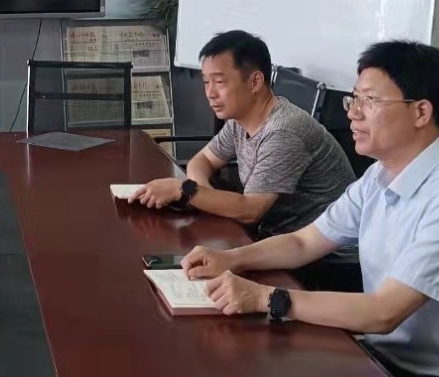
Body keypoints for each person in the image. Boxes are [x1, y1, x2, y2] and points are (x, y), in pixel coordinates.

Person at [188, 41, 439, 377]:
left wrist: (265, 297)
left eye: (370, 101)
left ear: (421, 112)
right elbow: (304, 242)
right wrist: (232, 259)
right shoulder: (380, 174)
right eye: (354, 98)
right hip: (385, 356)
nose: (353, 112)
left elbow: (384, 312)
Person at [131, 30, 354, 238]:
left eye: (219, 82)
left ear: (255, 81)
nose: (210, 93)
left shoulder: (284, 132)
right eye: (206, 82)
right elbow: (203, 159)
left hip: (323, 254)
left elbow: (251, 211)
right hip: (279, 238)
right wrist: (200, 192)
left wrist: (186, 190)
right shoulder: (240, 120)